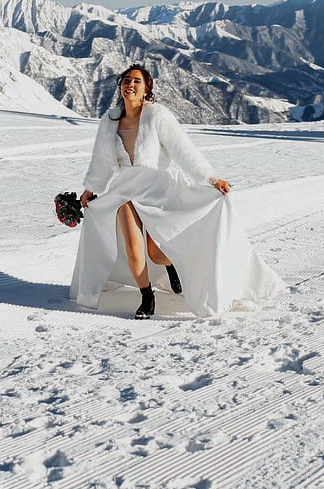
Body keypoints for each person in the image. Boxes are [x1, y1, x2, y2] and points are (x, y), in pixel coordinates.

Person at [70, 64, 285, 318]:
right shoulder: (110, 121)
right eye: (126, 80)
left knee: (156, 253)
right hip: (124, 190)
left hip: (157, 189)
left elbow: (184, 150)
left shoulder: (157, 116)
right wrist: (90, 189)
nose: (130, 84)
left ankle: (171, 266)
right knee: (131, 244)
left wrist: (211, 178)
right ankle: (147, 296)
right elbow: (102, 161)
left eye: (137, 81)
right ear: (120, 85)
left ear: (146, 89)